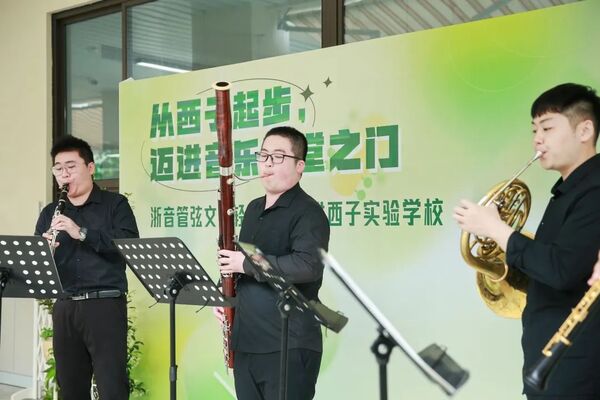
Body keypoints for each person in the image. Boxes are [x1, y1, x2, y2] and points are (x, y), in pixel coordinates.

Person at [454, 83, 600, 399]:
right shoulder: (567, 191)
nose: (537, 139)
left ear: (584, 130)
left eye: (547, 128)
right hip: (550, 363)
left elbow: (562, 271)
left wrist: (497, 230)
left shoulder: (594, 191)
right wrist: (499, 240)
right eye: (534, 130)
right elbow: (549, 270)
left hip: (576, 370)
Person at [214, 126, 330, 400]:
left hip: (288, 344)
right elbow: (239, 262)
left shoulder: (309, 212)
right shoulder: (253, 209)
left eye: (277, 157)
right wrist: (224, 294)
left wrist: (246, 264)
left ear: (300, 166)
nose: (267, 163)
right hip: (247, 342)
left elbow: (307, 266)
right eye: (263, 155)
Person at [35, 136, 139, 400]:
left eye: (71, 166)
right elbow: (37, 267)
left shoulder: (115, 205)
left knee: (112, 387)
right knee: (70, 389)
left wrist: (80, 232)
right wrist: (46, 253)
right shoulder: (49, 213)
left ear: (91, 168)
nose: (64, 174)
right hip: (65, 307)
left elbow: (128, 246)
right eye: (58, 168)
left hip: (104, 306)